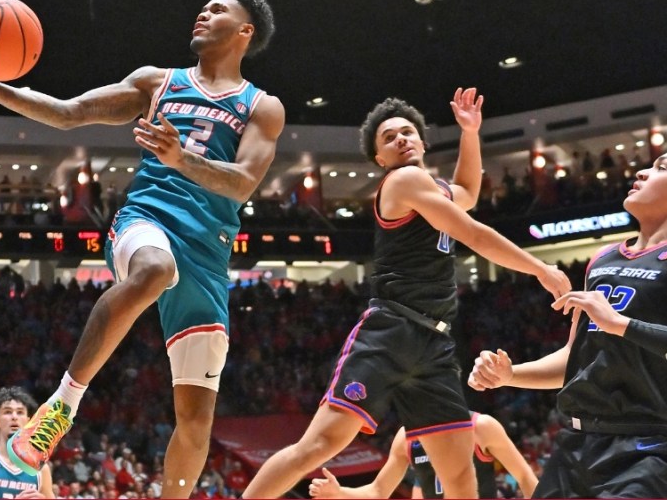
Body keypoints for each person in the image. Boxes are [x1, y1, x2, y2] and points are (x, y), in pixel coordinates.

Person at [0, 0, 283, 497]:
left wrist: (183, 158)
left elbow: (243, 182)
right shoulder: (158, 82)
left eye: (216, 10)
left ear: (245, 32)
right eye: (202, 5)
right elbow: (69, 112)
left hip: (209, 252)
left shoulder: (262, 106)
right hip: (147, 219)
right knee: (155, 269)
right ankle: (60, 407)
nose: (202, 12)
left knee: (197, 420)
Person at [242, 92, 570, 498]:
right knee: (318, 446)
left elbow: (467, 190)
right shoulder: (403, 180)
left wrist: (470, 133)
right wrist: (539, 268)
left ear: (423, 141)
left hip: (434, 342)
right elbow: (471, 232)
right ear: (380, 159)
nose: (401, 138)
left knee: (460, 475)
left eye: (408, 132)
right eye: (389, 137)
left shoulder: (431, 188)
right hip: (391, 330)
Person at [468, 151, 667, 498]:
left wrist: (621, 324)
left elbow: (619, 327)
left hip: (646, 445)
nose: (642, 172)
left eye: (661, 168)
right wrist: (510, 374)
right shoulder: (603, 259)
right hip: (575, 444)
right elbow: (573, 358)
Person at [308, 412, 537, 498]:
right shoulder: (406, 437)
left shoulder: (481, 427)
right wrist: (340, 493)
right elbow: (378, 490)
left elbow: (527, 478)